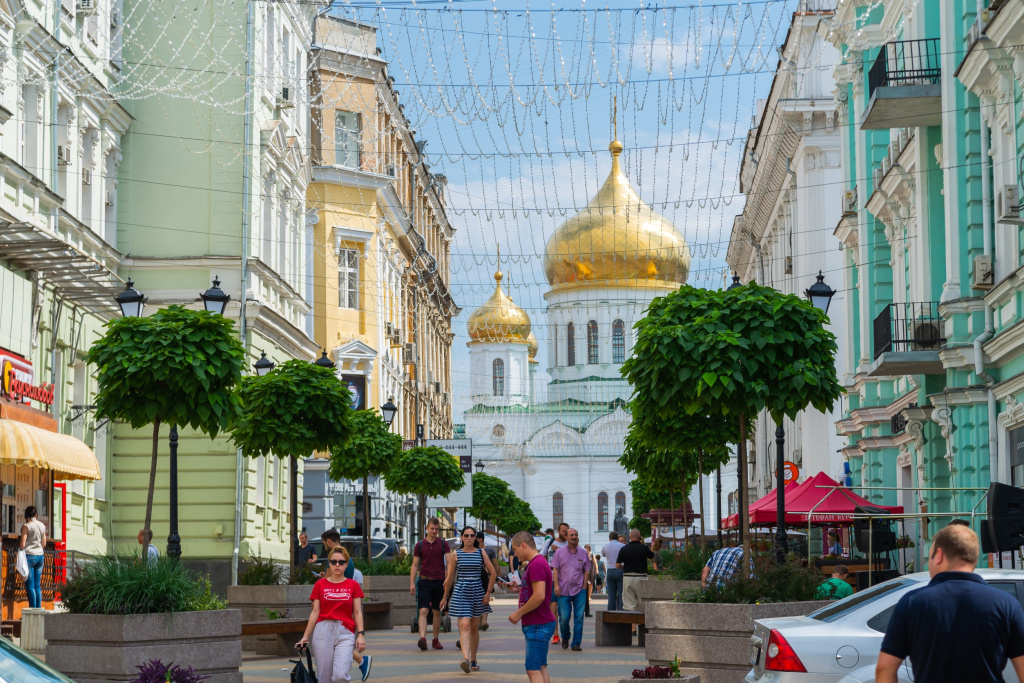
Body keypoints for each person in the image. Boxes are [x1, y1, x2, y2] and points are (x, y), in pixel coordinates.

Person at [876, 524, 1024, 683]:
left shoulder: (912, 603)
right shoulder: (1006, 604)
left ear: (939, 555)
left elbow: (885, 669)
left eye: (930, 556)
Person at [297, 546, 369, 683]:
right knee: (324, 678)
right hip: (323, 631)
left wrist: (361, 634)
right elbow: (315, 612)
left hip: (345, 632)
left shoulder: (353, 585)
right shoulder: (320, 584)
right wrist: (305, 636)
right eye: (334, 561)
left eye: (341, 562)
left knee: (340, 675)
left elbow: (357, 612)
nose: (337, 565)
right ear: (329, 563)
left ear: (346, 564)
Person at [441, 526, 495, 674]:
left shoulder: (481, 552)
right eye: (467, 535)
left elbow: (493, 572)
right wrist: (445, 597)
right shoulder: (455, 554)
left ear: (475, 538)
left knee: (473, 628)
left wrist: (488, 593)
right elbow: (451, 577)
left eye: (472, 535)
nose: (470, 538)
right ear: (462, 537)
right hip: (461, 591)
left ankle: (473, 659)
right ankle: (465, 659)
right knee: (464, 625)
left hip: (477, 591)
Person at [508, 531, 557, 683]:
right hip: (539, 623)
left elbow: (539, 596)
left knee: (533, 669)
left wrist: (519, 613)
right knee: (540, 667)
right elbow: (534, 591)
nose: (515, 554)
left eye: (515, 550)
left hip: (538, 624)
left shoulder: (536, 564)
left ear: (523, 545)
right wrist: (519, 587)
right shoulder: (537, 563)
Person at [410, 517, 450, 651]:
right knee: (423, 610)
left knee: (437, 612)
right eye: (432, 528)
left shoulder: (443, 544)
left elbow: (450, 563)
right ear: (427, 528)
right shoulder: (420, 545)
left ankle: (435, 639)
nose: (434, 531)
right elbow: (415, 565)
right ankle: (422, 638)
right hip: (424, 580)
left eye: (437, 529)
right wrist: (412, 583)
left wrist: (448, 578)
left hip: (439, 582)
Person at [551, 528, 591, 652]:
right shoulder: (559, 552)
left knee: (579, 617)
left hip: (579, 590)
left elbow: (586, 570)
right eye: (571, 535)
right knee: (564, 618)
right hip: (563, 590)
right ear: (567, 537)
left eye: (576, 535)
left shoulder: (583, 553)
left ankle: (576, 643)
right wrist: (556, 586)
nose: (574, 537)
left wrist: (584, 587)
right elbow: (555, 569)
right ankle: (565, 637)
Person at [617, 529, 654, 613]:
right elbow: (652, 557)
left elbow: (617, 565)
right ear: (639, 537)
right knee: (642, 602)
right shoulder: (644, 548)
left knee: (629, 604)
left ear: (629, 537)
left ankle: (633, 626)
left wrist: (623, 566)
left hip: (628, 577)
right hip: (642, 578)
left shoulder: (624, 549)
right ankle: (641, 624)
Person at [20, 506, 46, 610]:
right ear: (36, 515)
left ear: (26, 516)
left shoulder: (26, 526)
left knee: (30, 586)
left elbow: (22, 544)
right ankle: (38, 610)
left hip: (29, 556)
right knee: (37, 586)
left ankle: (32, 610)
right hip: (40, 556)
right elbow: (44, 544)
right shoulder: (42, 526)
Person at [479, 529, 498, 631]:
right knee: (478, 601)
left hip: (486, 578)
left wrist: (498, 578)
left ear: (480, 539)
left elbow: (495, 565)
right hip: (476, 579)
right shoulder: (471, 551)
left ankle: (484, 622)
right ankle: (480, 622)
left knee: (485, 598)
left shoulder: (488, 551)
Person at [601, 531, 625, 611]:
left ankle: (611, 612)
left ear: (609, 538)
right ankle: (621, 612)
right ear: (617, 538)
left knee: (611, 594)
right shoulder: (622, 546)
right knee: (621, 594)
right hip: (620, 570)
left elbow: (603, 554)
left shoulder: (605, 546)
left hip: (610, 571)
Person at [583, 544, 596, 617]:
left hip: (586, 574)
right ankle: (582, 612)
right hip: (579, 576)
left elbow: (592, 564)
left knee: (585, 594)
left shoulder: (589, 554)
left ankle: (587, 612)